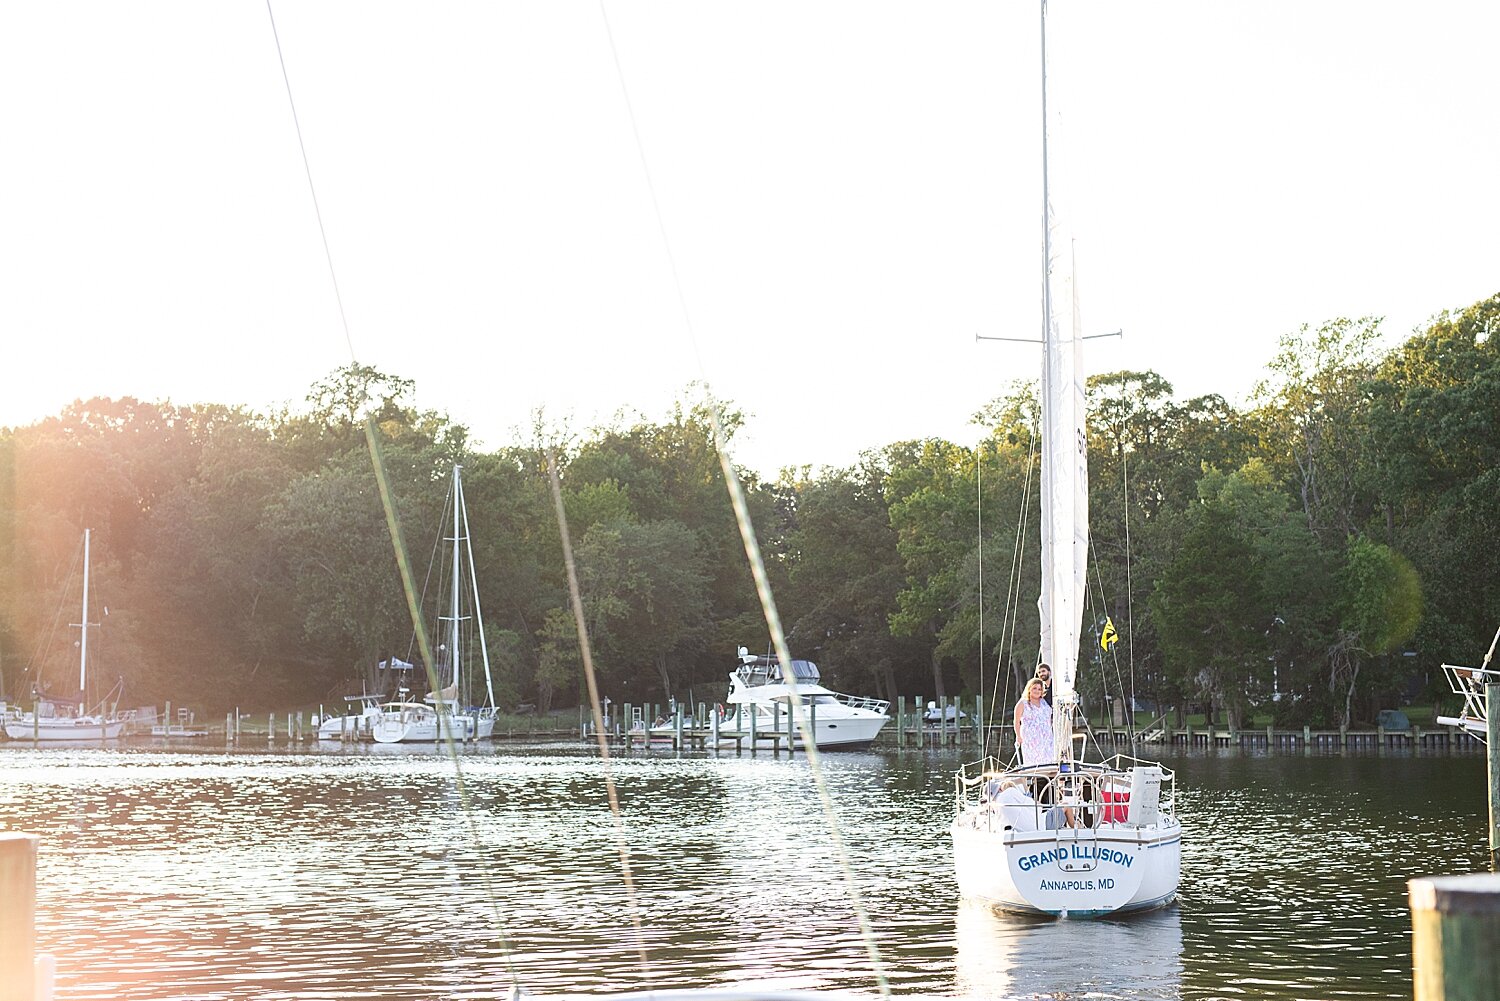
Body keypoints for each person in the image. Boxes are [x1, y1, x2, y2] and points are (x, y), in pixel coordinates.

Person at [1013, 677, 1055, 766]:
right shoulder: (1022, 703)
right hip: (1030, 738)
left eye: (1039, 689)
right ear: (1029, 689)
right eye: (1034, 688)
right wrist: (1018, 736)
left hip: (1046, 737)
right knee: (1033, 762)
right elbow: (1016, 721)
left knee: (1049, 760)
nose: (1037, 691)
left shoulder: (1044, 702)